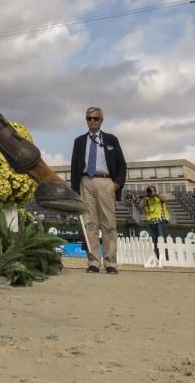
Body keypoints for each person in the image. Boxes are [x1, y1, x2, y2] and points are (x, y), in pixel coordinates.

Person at [70, 107, 127, 274]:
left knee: (108, 223)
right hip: (85, 180)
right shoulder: (79, 141)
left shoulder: (111, 139)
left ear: (101, 120)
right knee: (89, 223)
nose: (92, 121)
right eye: (89, 118)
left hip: (105, 181)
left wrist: (116, 184)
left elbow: (122, 164)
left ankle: (110, 263)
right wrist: (75, 190)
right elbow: (74, 166)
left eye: (95, 118)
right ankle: (93, 262)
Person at [142, 186, 171, 259]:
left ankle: (165, 258)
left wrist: (156, 194)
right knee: (155, 241)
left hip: (161, 221)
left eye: (151, 191)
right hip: (152, 222)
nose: (150, 193)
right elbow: (141, 205)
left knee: (162, 239)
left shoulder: (159, 197)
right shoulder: (147, 199)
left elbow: (165, 199)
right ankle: (158, 258)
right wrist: (145, 196)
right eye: (149, 191)